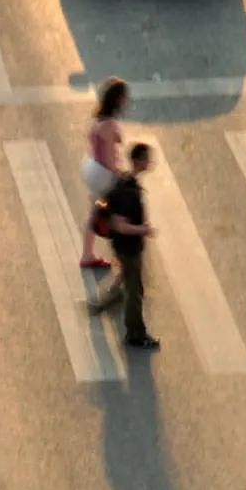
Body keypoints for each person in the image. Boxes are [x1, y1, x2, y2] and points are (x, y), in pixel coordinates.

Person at [90, 143, 159, 349]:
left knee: (131, 282)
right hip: (128, 248)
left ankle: (107, 301)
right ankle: (136, 334)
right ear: (138, 161)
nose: (150, 162)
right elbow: (118, 225)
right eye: (147, 158)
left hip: (125, 247)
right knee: (134, 292)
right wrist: (143, 230)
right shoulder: (129, 192)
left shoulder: (126, 181)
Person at [80, 77, 128, 270]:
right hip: (103, 173)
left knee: (95, 214)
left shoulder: (99, 120)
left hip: (92, 167)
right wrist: (120, 177)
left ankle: (87, 254)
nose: (126, 100)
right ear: (117, 100)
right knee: (118, 215)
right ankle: (122, 258)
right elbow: (110, 160)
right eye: (124, 97)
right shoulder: (109, 126)